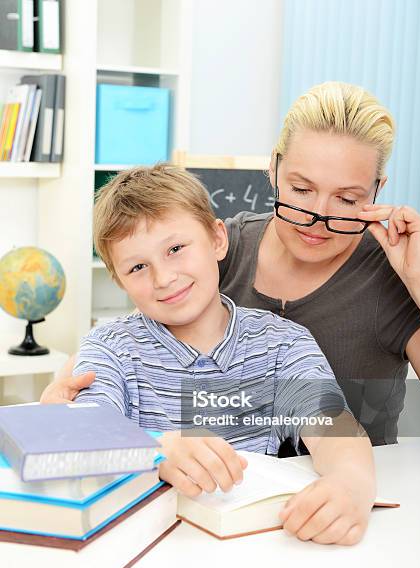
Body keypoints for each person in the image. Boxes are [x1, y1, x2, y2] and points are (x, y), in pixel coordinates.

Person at [68, 163, 375, 545]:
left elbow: (335, 429)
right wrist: (154, 448)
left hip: (256, 549)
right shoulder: (109, 348)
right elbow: (82, 434)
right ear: (120, 280)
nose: (164, 278)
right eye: (138, 267)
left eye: (176, 249)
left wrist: (351, 484)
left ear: (217, 239)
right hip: (146, 551)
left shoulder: (282, 344)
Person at [219, 81, 420, 452]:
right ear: (273, 167)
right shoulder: (225, 250)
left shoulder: (392, 274)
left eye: (347, 199)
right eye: (301, 190)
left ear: (377, 190)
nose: (318, 217)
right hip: (225, 497)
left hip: (359, 499)